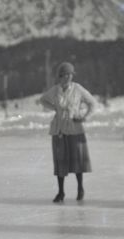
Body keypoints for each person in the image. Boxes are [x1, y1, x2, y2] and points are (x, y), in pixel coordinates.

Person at [38, 62, 97, 202]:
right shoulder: (55, 90)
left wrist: (84, 117)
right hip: (59, 130)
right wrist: (55, 108)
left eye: (70, 75)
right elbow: (42, 100)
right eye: (65, 75)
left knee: (78, 161)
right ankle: (61, 192)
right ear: (60, 76)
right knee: (60, 162)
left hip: (75, 129)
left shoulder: (78, 89)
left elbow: (93, 103)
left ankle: (80, 189)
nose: (68, 78)